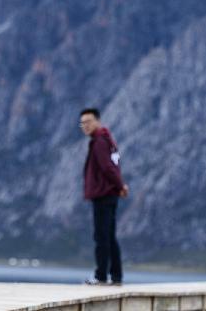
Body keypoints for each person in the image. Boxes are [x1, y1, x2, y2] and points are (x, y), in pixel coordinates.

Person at [80, 107, 128, 286]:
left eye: (88, 122)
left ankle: (101, 276)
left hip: (103, 194)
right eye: (82, 123)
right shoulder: (107, 140)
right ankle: (116, 276)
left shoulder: (100, 141)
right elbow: (114, 164)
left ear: (97, 121)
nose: (85, 126)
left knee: (101, 236)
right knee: (110, 236)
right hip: (111, 194)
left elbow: (107, 167)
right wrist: (119, 185)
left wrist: (120, 185)